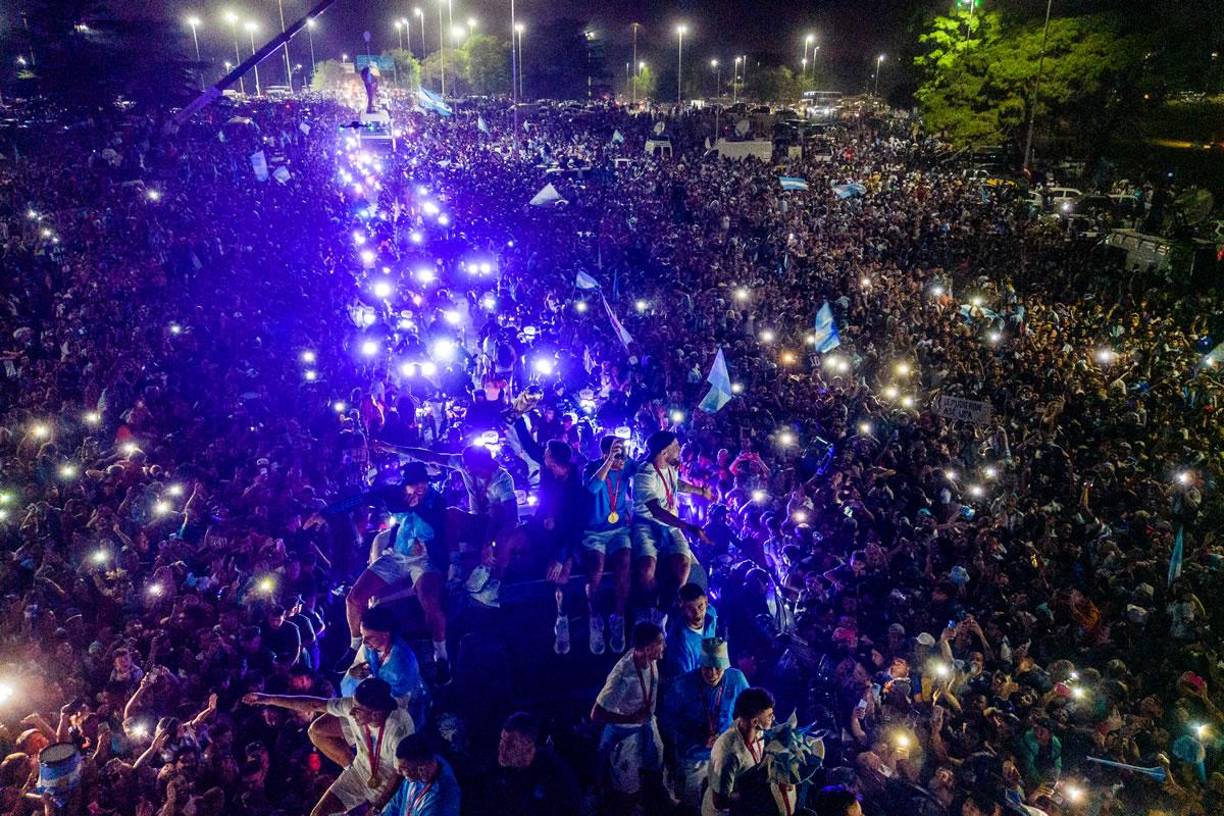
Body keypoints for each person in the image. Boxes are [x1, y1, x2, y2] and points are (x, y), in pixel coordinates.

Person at [341, 462, 452, 683]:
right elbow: (363, 498)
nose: (419, 488)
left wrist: (417, 507)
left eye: (423, 483)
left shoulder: (436, 500)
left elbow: (436, 522)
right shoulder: (395, 494)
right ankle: (354, 645)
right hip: (397, 555)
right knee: (354, 599)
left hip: (425, 559)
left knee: (430, 601)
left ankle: (441, 656)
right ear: (405, 484)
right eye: (414, 484)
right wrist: (327, 512)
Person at [243, 677, 414, 816]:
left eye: (357, 710)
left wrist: (376, 808)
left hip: (390, 790)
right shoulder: (354, 708)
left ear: (376, 714)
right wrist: (267, 699)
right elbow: (313, 704)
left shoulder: (398, 730)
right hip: (359, 773)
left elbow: (399, 775)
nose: (351, 712)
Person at [661, 637, 749, 809]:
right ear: (700, 664)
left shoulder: (736, 679)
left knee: (722, 803)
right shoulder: (682, 685)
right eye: (707, 668)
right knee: (691, 804)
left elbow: (750, 707)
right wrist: (698, 736)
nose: (712, 673)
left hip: (724, 754)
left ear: (726, 666)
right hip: (692, 756)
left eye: (718, 668)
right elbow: (668, 722)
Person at [591, 621, 667, 815]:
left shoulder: (649, 659)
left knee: (655, 767)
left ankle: (641, 802)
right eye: (660, 642)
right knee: (628, 786)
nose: (664, 646)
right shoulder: (623, 676)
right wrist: (630, 719)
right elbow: (596, 714)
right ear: (647, 648)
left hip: (647, 725)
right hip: (625, 734)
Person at [632, 431, 713, 607]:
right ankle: (652, 605)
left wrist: (700, 491)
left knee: (684, 564)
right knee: (646, 569)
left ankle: (674, 602)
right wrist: (688, 527)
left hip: (670, 525)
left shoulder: (670, 466)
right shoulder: (645, 474)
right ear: (664, 452)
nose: (679, 448)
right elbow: (656, 511)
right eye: (676, 446)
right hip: (646, 525)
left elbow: (676, 484)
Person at [582, 435, 637, 653]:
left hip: (619, 530)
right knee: (595, 568)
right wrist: (608, 462)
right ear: (605, 454)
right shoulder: (591, 467)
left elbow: (646, 466)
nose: (621, 458)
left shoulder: (627, 465)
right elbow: (592, 488)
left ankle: (618, 617)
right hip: (594, 532)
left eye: (622, 453)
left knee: (624, 565)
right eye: (616, 453)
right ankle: (594, 618)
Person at [703, 686, 794, 816]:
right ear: (755, 722)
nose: (773, 718)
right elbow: (720, 801)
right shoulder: (728, 753)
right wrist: (757, 796)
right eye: (769, 716)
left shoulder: (751, 726)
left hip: (746, 797)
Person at [489, 712, 581, 816]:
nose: (504, 747)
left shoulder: (549, 768)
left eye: (511, 741)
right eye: (504, 740)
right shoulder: (512, 771)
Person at [381, 734, 461, 816]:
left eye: (404, 768)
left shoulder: (439, 800)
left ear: (421, 769)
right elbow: (395, 805)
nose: (398, 771)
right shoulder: (415, 773)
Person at [663, 583, 720, 679]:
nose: (697, 613)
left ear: (706, 601)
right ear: (682, 608)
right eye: (690, 608)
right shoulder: (679, 642)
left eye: (700, 606)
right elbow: (685, 680)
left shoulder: (711, 614)